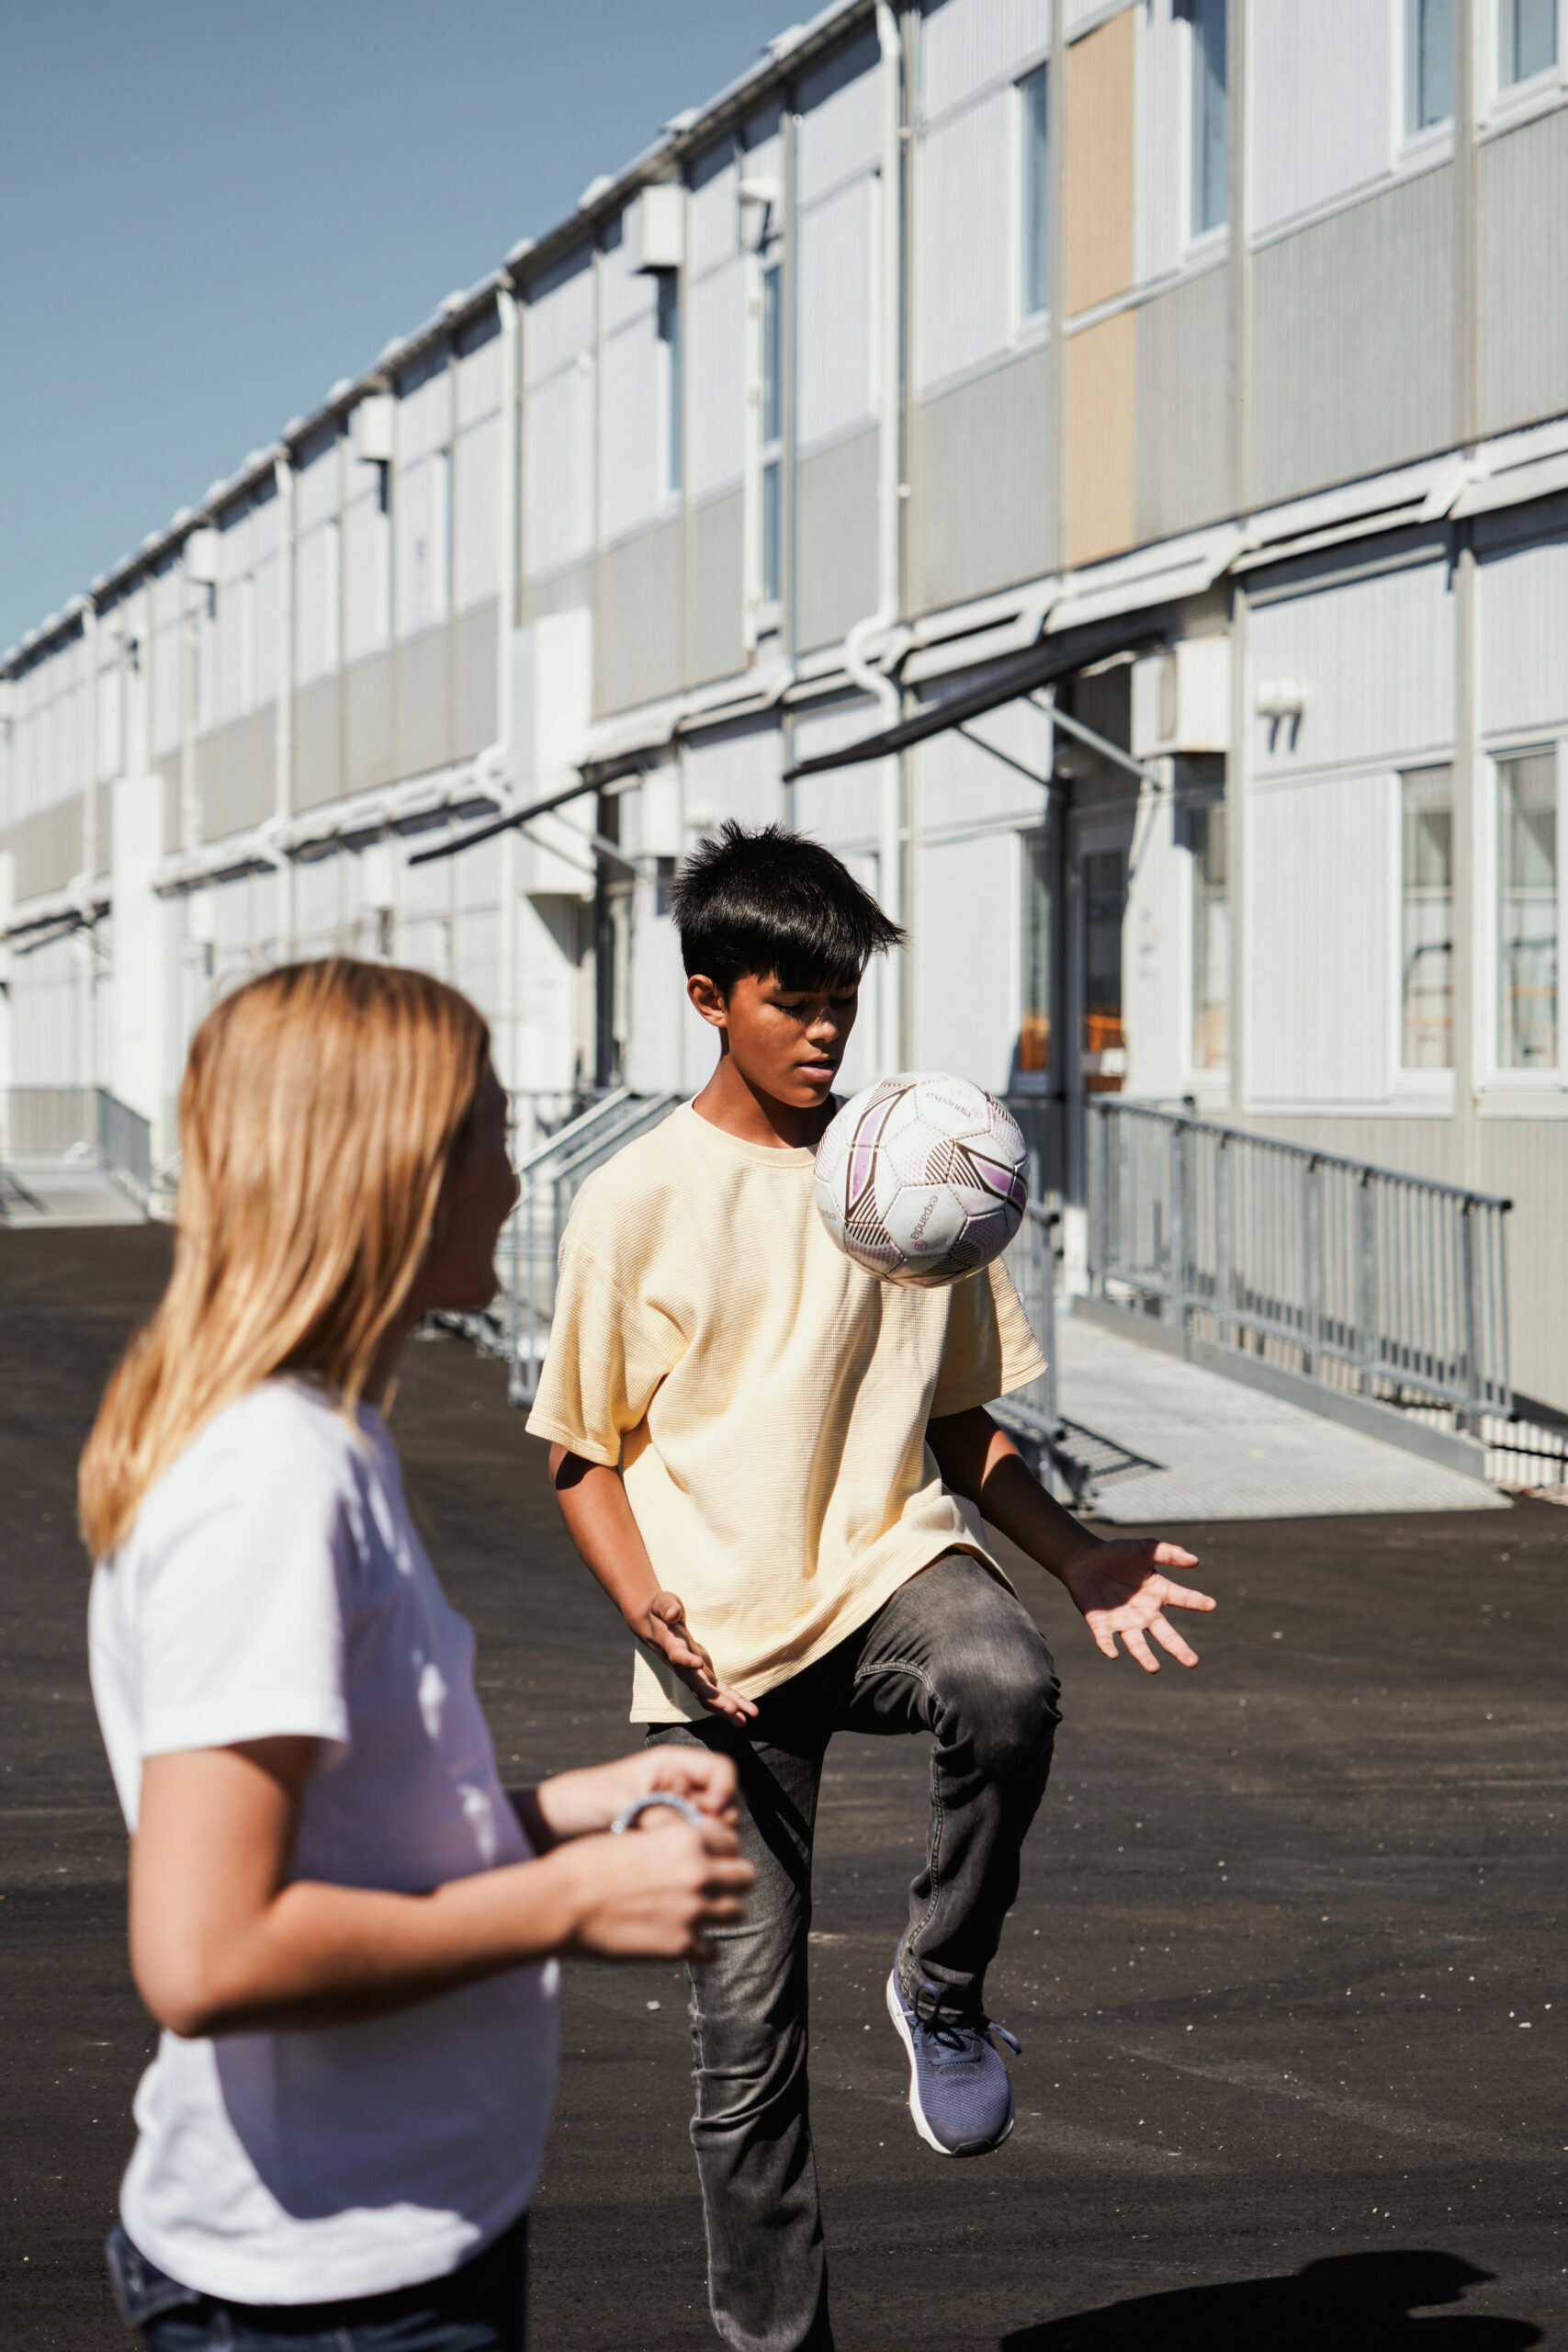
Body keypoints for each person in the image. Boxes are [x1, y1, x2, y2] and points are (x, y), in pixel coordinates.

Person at [526, 823, 1216, 2352]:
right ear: (711, 995)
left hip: (890, 1570)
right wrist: (647, 1607)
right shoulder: (636, 1202)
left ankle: (942, 1982)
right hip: (712, 1648)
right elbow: (581, 1459)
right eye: (793, 998)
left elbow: (966, 1427)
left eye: (842, 996)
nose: (827, 1026)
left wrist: (1081, 1556)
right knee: (744, 2056)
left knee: (1008, 1678)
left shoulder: (919, 1167)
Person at [80, 957, 753, 2352]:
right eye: (489, 1139)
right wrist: (567, 1899)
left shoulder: (323, 1440)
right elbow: (206, 1952)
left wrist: (553, 1813)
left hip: (383, 2250)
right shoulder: (269, 1477)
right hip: (323, 2296)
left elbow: (337, 1853)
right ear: (391, 1170)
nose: (514, 1184)